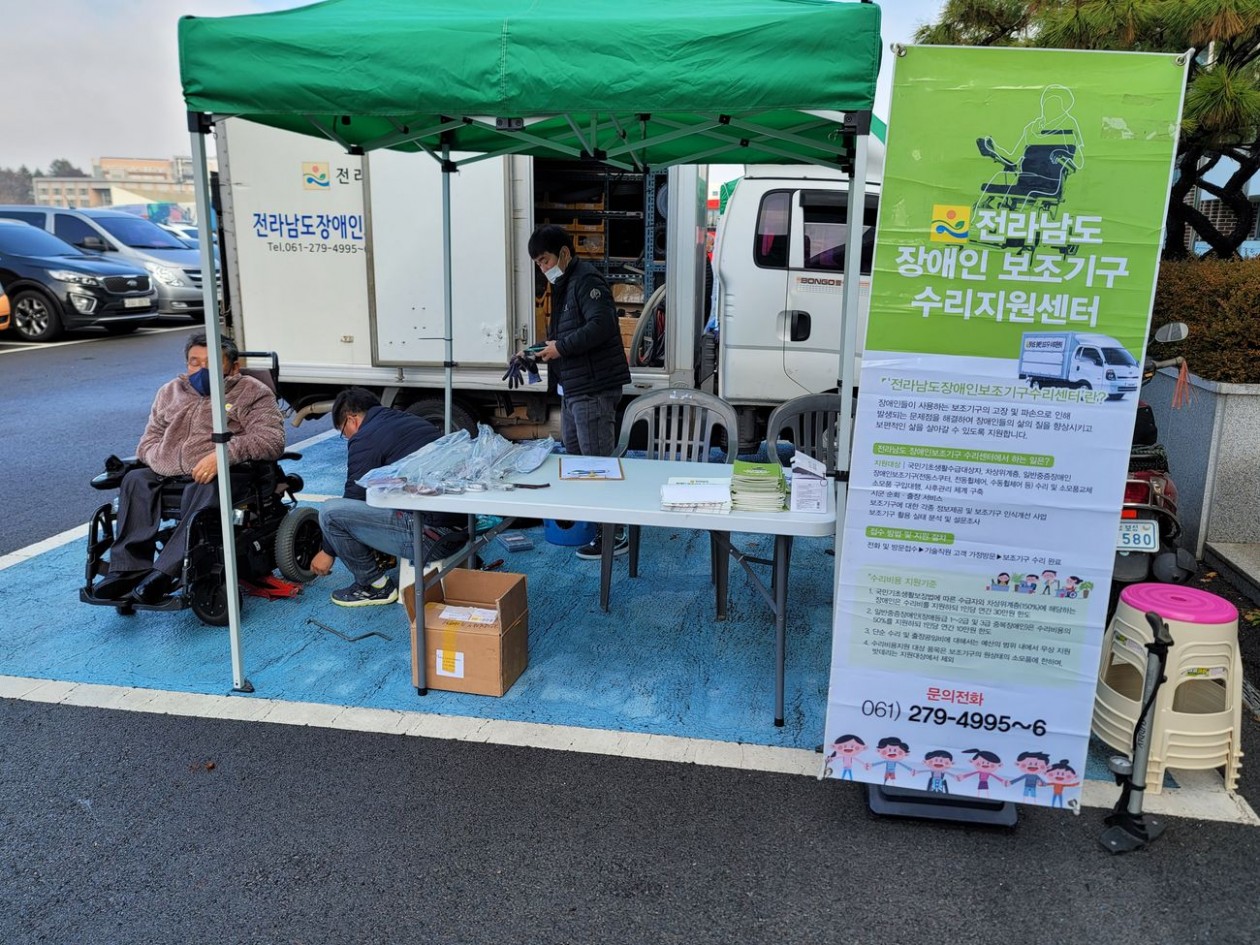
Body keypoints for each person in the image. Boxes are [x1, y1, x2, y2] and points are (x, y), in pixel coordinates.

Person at [92, 333, 286, 604]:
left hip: (226, 470)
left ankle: (166, 571)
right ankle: (128, 569)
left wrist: (221, 456)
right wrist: (162, 460)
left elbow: (271, 440)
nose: (202, 369)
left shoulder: (252, 392)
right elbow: (148, 440)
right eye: (195, 362)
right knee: (135, 479)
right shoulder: (170, 392)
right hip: (170, 471)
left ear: (233, 367)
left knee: (207, 485)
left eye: (212, 362)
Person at [527, 223, 631, 560]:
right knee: (576, 460)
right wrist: (536, 350)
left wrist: (560, 348)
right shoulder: (565, 284)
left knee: (597, 464)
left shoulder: (586, 280)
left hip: (593, 389)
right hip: (573, 388)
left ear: (564, 253)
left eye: (544, 260)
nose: (543, 268)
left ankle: (614, 534)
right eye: (538, 264)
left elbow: (601, 326)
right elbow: (566, 334)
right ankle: (594, 525)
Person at [310, 387, 462, 606]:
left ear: (352, 420)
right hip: (462, 530)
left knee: (330, 513)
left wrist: (327, 551)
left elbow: (353, 497)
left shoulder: (366, 437)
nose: (347, 437)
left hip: (432, 538)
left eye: (344, 432)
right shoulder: (410, 420)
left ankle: (375, 585)